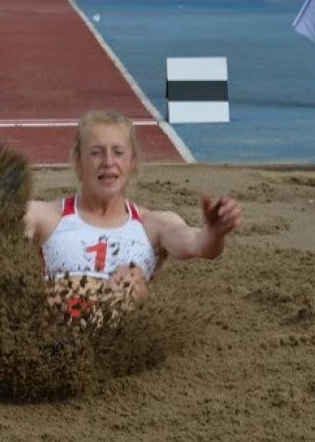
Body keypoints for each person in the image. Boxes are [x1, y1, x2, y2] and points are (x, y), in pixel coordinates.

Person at [25, 110, 241, 318]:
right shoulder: (45, 216)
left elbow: (199, 245)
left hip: (119, 338)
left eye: (118, 152)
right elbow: (2, 234)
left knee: (129, 278)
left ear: (132, 162)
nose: (108, 162)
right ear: (78, 162)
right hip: (60, 329)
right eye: (96, 152)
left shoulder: (153, 225)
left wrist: (215, 232)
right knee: (56, 290)